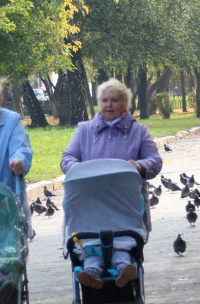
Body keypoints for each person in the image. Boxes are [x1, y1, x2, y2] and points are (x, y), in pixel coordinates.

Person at [61, 78, 162, 291]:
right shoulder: (84, 130)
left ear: (125, 103)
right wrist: (78, 169)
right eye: (104, 100)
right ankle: (92, 277)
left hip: (126, 206)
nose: (109, 105)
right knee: (90, 248)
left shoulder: (139, 131)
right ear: (98, 102)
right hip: (91, 207)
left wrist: (139, 166)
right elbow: (68, 158)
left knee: (124, 246)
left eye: (115, 100)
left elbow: (155, 160)